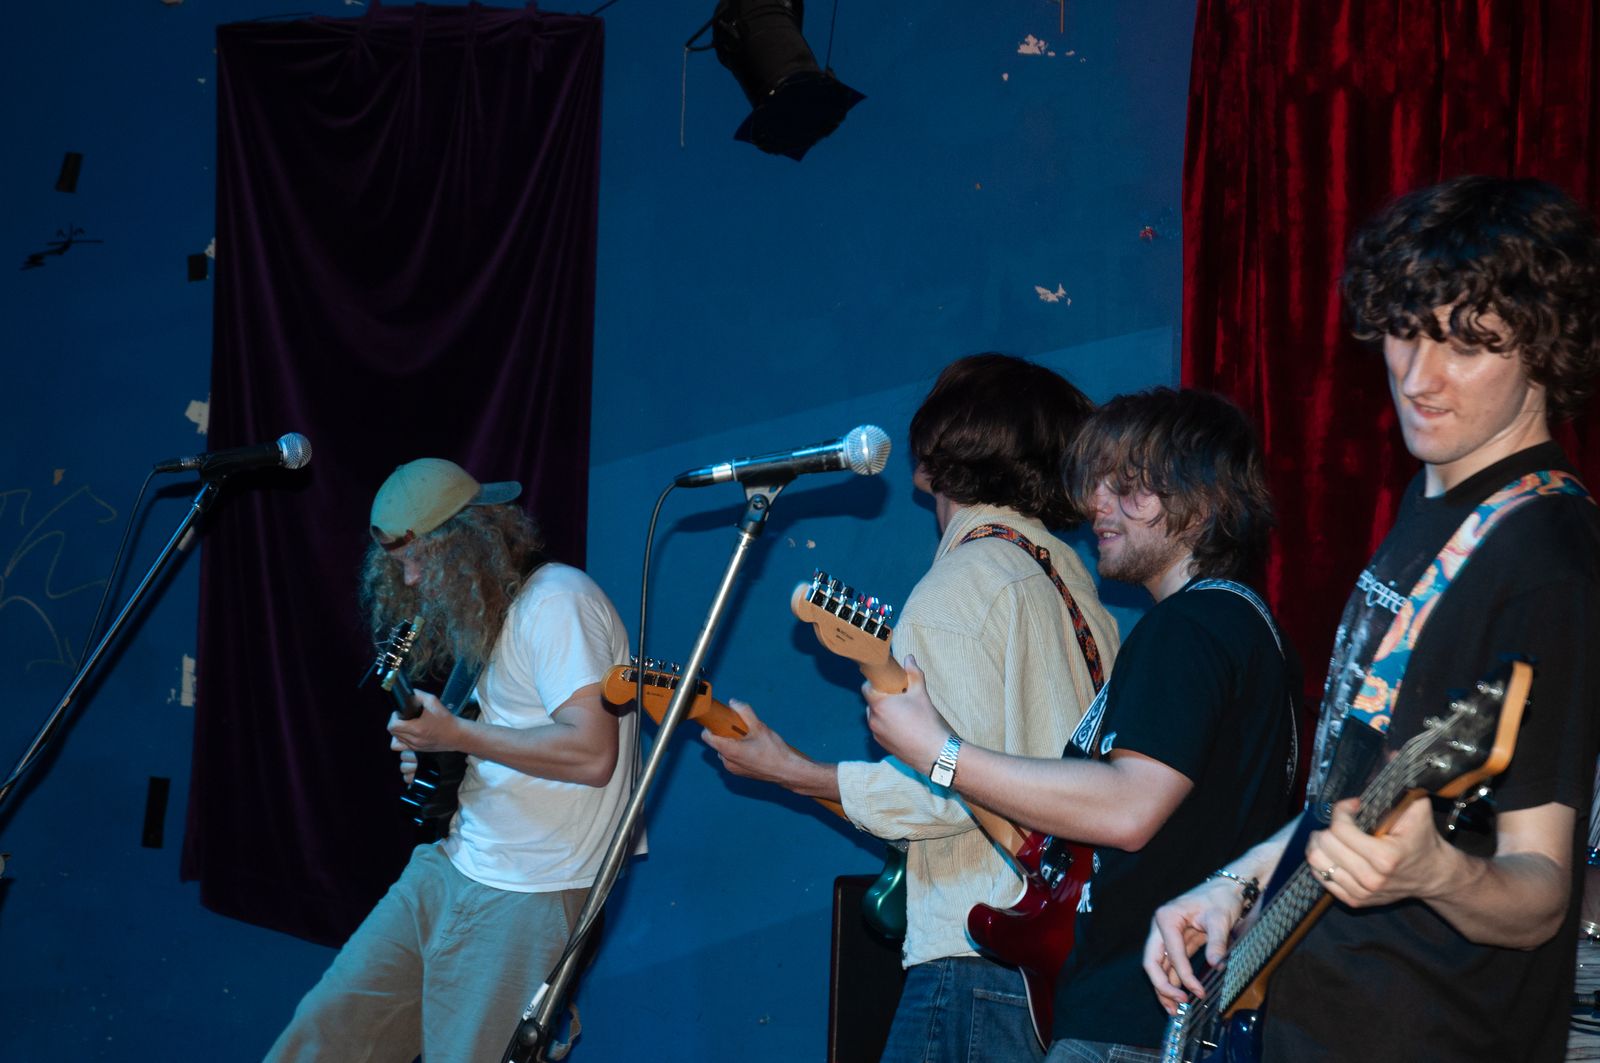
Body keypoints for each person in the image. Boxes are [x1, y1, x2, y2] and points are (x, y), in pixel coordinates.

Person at [1145, 176, 1600, 1062]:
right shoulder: (1437, 504)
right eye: (1406, 331)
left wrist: (1441, 871)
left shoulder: (1549, 557)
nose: (1418, 378)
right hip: (1314, 1015)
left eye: (1466, 344)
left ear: (1545, 351)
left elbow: (1544, 888)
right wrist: (1236, 882)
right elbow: (1349, 795)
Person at [865, 387, 1299, 1062]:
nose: (1098, 502)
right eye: (1098, 482)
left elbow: (1129, 808)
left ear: (1202, 502)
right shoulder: (1241, 626)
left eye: (1129, 486)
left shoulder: (1188, 627)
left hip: (1129, 1025)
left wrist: (940, 753)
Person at [708, 353, 1119, 1063]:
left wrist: (788, 769)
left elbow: (943, 791)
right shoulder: (1078, 591)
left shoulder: (959, 585)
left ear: (944, 445)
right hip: (1063, 965)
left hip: (977, 959)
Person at [265, 458, 638, 1063]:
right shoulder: (494, 610)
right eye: (398, 565)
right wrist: (440, 755)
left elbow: (593, 753)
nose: (411, 580)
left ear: (470, 539)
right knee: (320, 1040)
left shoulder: (556, 601)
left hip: (531, 891)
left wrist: (457, 734)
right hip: (455, 865)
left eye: (421, 559)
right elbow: (510, 738)